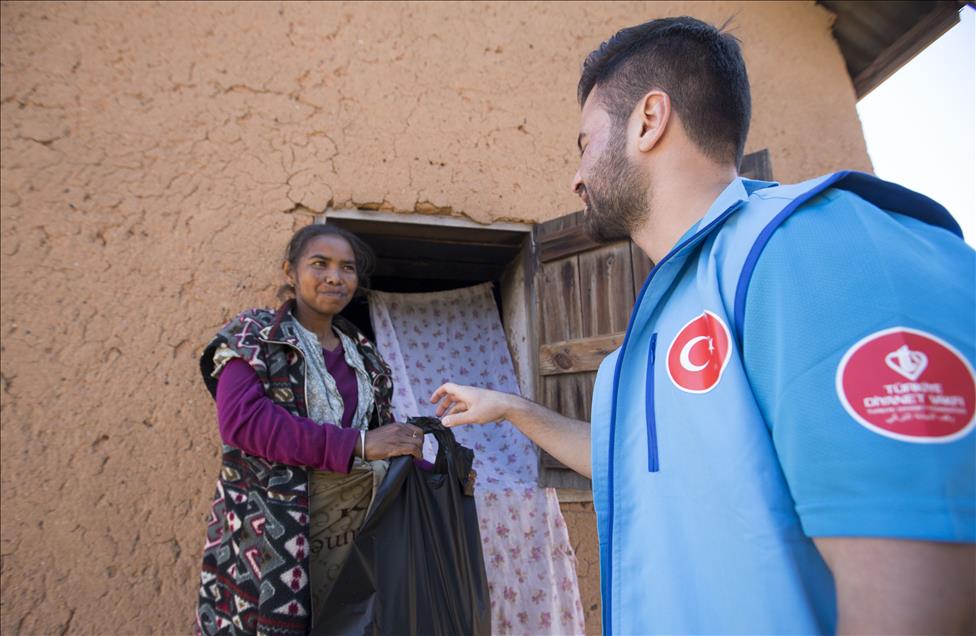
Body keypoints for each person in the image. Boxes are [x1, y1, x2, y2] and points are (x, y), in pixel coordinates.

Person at [431, 16, 976, 635]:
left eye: (584, 143)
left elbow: (923, 594)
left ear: (649, 119)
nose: (575, 177)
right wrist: (512, 409)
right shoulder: (654, 327)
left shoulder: (814, 245)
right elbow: (631, 464)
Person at [195, 223, 424, 636]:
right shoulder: (255, 336)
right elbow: (243, 423)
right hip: (270, 532)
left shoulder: (365, 356)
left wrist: (429, 469)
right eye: (320, 263)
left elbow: (380, 437)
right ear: (290, 271)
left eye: (347, 268)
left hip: (351, 537)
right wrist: (357, 444)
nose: (335, 277)